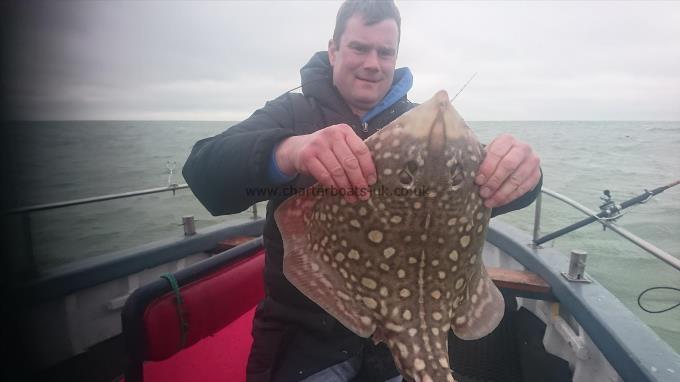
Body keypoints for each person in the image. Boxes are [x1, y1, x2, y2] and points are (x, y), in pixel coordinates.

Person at [183, 1, 542, 381]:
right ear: (333, 49)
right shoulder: (291, 114)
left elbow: (488, 193)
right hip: (304, 340)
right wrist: (289, 151)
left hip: (390, 353)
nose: (373, 62)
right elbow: (204, 173)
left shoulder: (423, 130)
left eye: (385, 52)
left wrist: (524, 176)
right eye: (359, 47)